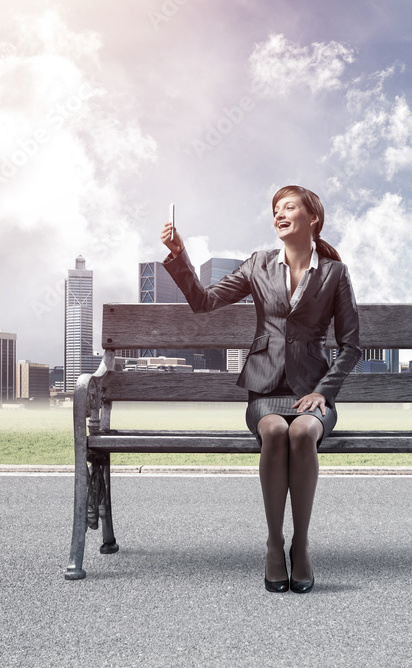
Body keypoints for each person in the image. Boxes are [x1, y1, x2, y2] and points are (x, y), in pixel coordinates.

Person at [160, 185, 361, 594]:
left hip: (312, 392)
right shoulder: (258, 264)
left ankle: (301, 545)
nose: (279, 214)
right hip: (264, 392)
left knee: (301, 432)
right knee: (275, 430)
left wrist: (324, 392)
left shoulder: (335, 273)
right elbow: (203, 301)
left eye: (289, 207)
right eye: (275, 209)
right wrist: (180, 256)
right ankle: (274, 543)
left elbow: (351, 346)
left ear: (313, 218)